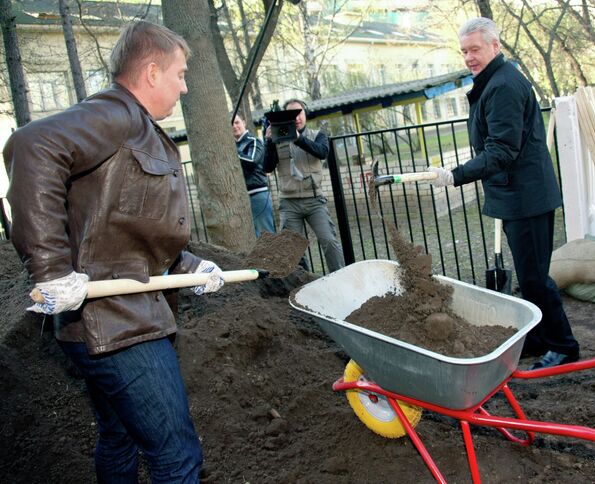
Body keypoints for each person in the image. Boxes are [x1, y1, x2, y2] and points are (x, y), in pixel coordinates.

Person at [4, 20, 225, 482]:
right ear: (150, 72)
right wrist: (49, 270)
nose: (184, 87)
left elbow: (117, 232)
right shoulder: (117, 115)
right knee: (177, 457)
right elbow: (31, 144)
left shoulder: (133, 127)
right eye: (180, 74)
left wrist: (189, 264)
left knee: (120, 437)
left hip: (110, 318)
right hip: (119, 325)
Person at [428, 17, 579, 370]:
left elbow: (501, 151)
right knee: (529, 277)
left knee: (535, 278)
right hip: (517, 195)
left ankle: (564, 345)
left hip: (526, 197)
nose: (468, 57)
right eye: (464, 51)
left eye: (475, 49)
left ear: (495, 47)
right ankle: (540, 338)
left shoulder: (504, 86)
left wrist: (454, 175)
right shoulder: (494, 82)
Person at [263, 98, 345, 273]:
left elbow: (322, 152)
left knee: (329, 241)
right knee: (293, 249)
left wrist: (298, 138)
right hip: (289, 203)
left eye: (299, 112)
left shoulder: (318, 135)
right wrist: (269, 142)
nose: (297, 118)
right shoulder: (277, 138)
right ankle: (304, 282)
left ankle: (339, 278)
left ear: (305, 113)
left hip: (314, 201)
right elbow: (267, 167)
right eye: (291, 114)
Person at [232, 112, 276, 237]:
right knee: (253, 237)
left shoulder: (253, 141)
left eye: (237, 122)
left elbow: (252, 161)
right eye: (231, 124)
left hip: (257, 194)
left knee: (266, 235)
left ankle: (271, 257)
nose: (234, 126)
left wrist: (232, 152)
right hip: (241, 197)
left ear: (244, 123)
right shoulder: (235, 145)